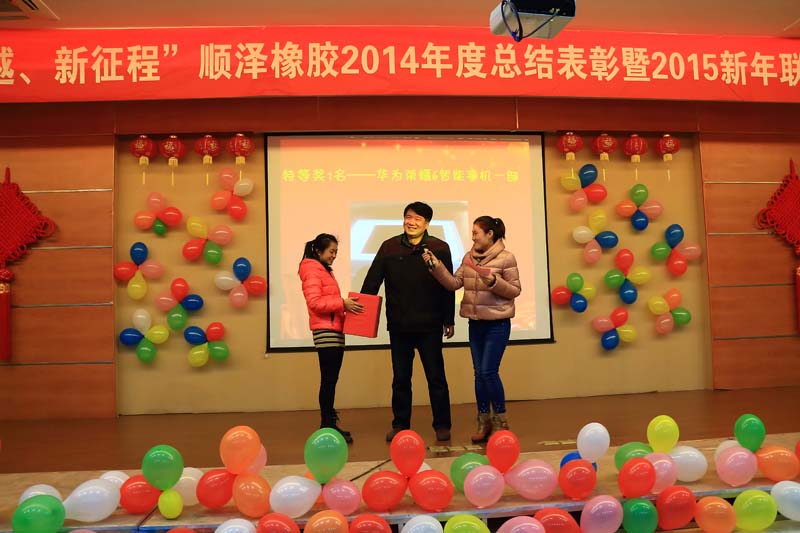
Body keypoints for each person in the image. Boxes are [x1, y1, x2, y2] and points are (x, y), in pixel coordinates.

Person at [361, 202, 456, 442]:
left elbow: (447, 284)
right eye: (408, 217)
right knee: (401, 379)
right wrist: (361, 313)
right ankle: (400, 425)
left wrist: (449, 319)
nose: (411, 222)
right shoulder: (389, 246)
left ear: (427, 223)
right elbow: (372, 280)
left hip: (430, 324)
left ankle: (442, 425)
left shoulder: (439, 248)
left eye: (417, 219)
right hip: (399, 325)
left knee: (436, 378)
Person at [422, 216, 521, 443]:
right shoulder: (469, 257)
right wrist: (435, 266)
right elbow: (454, 283)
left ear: (490, 234)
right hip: (475, 323)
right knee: (479, 374)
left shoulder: (506, 258)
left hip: (497, 324)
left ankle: (501, 421)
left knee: (488, 372)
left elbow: (515, 290)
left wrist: (494, 282)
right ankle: (484, 421)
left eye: (477, 232)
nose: (473, 237)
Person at [299, 233, 364, 444]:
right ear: (318, 251)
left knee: (331, 380)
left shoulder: (322, 270)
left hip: (334, 329)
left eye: (336, 252)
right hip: (325, 331)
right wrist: (342, 303)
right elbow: (315, 303)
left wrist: (344, 307)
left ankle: (329, 424)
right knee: (328, 380)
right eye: (331, 251)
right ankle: (327, 425)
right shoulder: (312, 270)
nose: (334, 256)